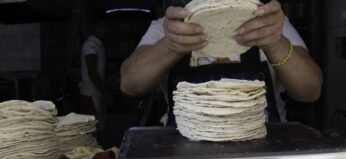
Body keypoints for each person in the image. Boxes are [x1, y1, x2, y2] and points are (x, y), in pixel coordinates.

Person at [120, 0, 323, 125]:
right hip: (183, 148)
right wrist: (170, 45)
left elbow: (310, 91)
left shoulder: (271, 24)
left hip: (263, 148)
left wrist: (275, 43)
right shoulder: (168, 27)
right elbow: (130, 84)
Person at [80, 17, 109, 130]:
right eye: (100, 26)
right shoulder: (90, 45)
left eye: (105, 27)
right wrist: (105, 92)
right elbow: (92, 73)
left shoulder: (98, 44)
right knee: (91, 129)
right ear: (94, 27)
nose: (103, 29)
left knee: (97, 126)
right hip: (90, 94)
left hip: (96, 92)